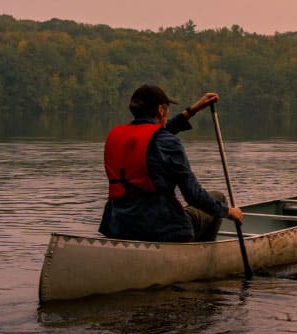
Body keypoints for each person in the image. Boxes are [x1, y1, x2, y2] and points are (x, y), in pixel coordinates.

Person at [99, 85, 243, 242]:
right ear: (161, 110)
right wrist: (228, 212)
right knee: (219, 198)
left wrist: (193, 109)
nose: (167, 114)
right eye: (167, 109)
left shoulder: (119, 137)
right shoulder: (167, 142)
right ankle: (199, 257)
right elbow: (194, 196)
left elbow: (157, 134)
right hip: (162, 229)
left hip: (118, 225)